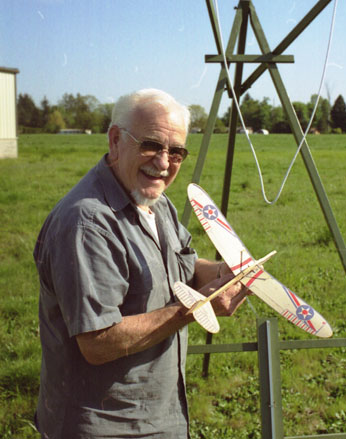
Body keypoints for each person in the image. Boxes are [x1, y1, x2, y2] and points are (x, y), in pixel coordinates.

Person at [33, 89, 248, 439]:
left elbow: (186, 268)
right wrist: (195, 308)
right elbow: (98, 341)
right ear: (115, 141)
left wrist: (226, 274)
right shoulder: (86, 224)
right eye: (151, 145)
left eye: (176, 151)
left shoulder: (156, 201)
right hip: (106, 426)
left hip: (160, 417)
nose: (164, 162)